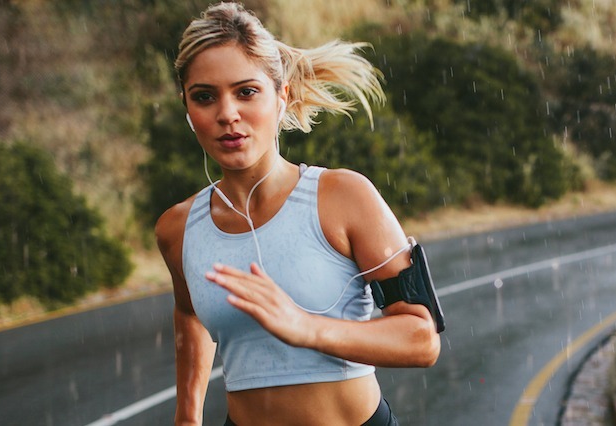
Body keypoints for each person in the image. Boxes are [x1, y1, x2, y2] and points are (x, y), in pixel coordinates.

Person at [154, 3, 440, 425]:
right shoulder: (178, 229)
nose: (227, 114)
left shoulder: (343, 196)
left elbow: (421, 339)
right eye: (205, 97)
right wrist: (187, 416)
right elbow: (190, 313)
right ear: (188, 109)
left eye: (246, 91)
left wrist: (307, 328)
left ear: (281, 95)